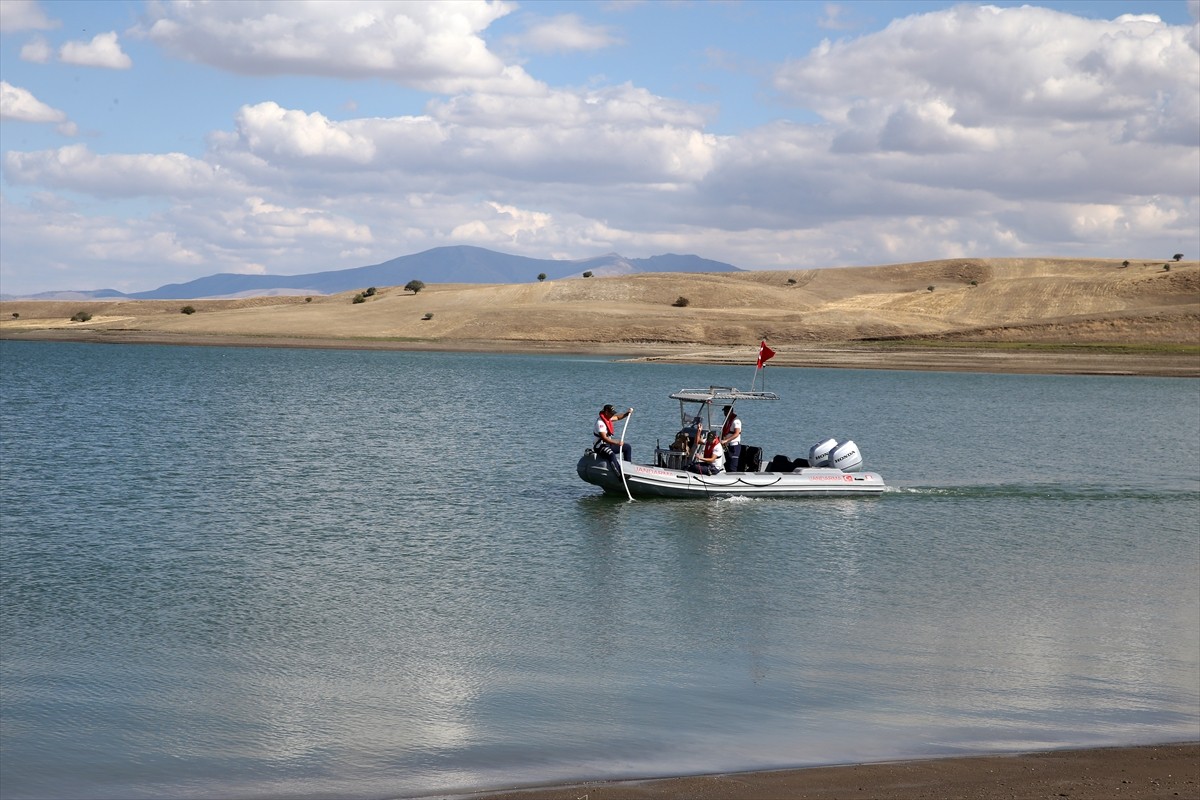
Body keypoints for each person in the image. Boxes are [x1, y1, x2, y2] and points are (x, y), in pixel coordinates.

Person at [593, 404, 633, 471]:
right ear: (606, 412)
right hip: (600, 447)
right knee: (611, 455)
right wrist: (617, 442)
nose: (612, 415)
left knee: (627, 447)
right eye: (611, 413)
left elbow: (617, 417)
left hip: (608, 445)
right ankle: (619, 475)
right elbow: (604, 438)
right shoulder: (600, 423)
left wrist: (626, 414)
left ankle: (628, 469)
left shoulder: (608, 418)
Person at [719, 405, 742, 473]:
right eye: (724, 411)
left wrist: (726, 440)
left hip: (734, 446)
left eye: (726, 411)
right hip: (727, 446)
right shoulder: (727, 420)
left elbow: (736, 433)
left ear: (730, 411)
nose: (725, 413)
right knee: (726, 464)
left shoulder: (736, 421)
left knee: (732, 466)